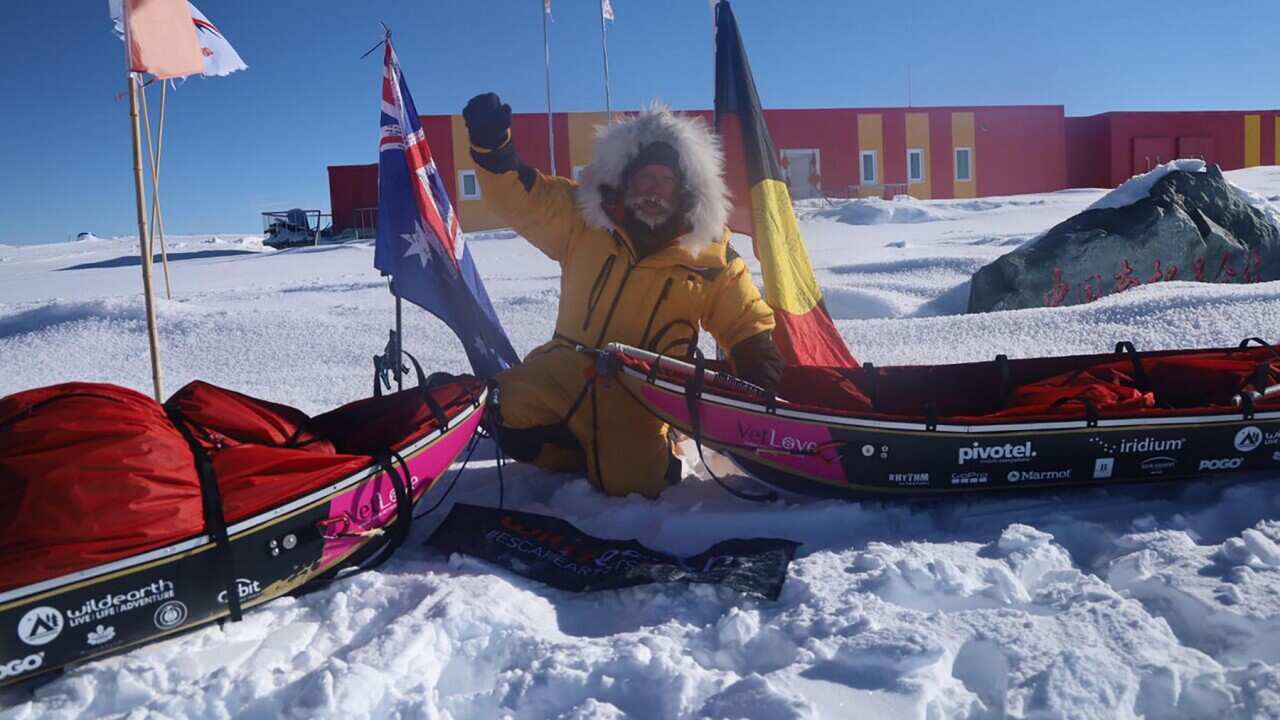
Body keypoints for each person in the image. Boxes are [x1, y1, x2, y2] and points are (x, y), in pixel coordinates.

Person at [464, 93, 783, 498]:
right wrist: (495, 151)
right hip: (561, 370)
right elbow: (527, 199)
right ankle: (577, 450)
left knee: (634, 486)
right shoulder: (584, 220)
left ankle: (657, 446)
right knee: (499, 411)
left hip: (638, 391)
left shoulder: (710, 257)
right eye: (643, 178)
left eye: (664, 180)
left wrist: (759, 378)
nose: (652, 190)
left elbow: (746, 323)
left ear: (684, 189)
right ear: (625, 179)